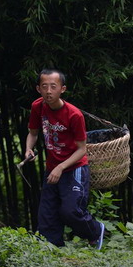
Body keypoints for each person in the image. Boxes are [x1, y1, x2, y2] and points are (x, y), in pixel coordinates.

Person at [25, 68, 105, 248]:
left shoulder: (74, 114)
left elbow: (81, 149)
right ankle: (52, 249)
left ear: (63, 89)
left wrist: (60, 167)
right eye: (44, 86)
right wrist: (28, 149)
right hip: (52, 168)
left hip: (74, 167)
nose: (48, 91)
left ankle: (95, 230)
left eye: (53, 86)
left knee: (70, 211)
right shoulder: (37, 106)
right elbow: (33, 133)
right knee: (47, 214)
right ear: (38, 89)